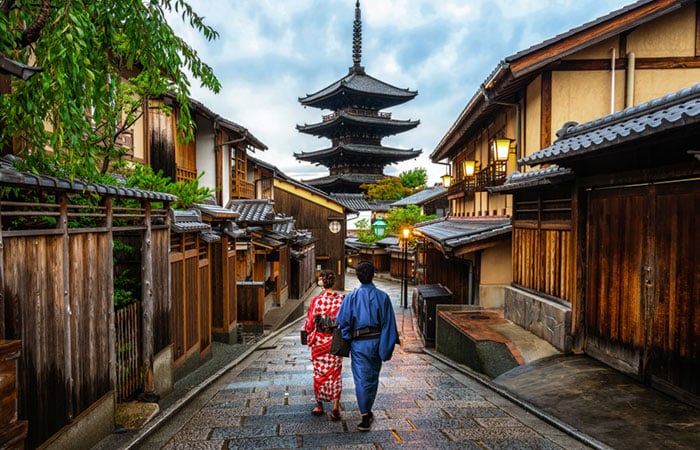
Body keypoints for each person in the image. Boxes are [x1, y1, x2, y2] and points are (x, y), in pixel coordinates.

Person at [336, 261, 400, 431]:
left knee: (361, 379)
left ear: (357, 277)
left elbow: (343, 321)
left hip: (359, 343)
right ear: (373, 275)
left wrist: (348, 336)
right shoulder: (382, 297)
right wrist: (385, 347)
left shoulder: (351, 297)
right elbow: (388, 324)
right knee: (372, 378)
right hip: (377, 342)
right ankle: (367, 410)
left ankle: (365, 414)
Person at [304, 270, 344, 421]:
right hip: (335, 341)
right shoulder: (341, 299)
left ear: (321, 282)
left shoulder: (317, 301)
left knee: (319, 373)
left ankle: (319, 405)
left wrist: (309, 333)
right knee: (335, 374)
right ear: (333, 282)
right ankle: (335, 407)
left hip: (320, 340)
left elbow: (309, 323)